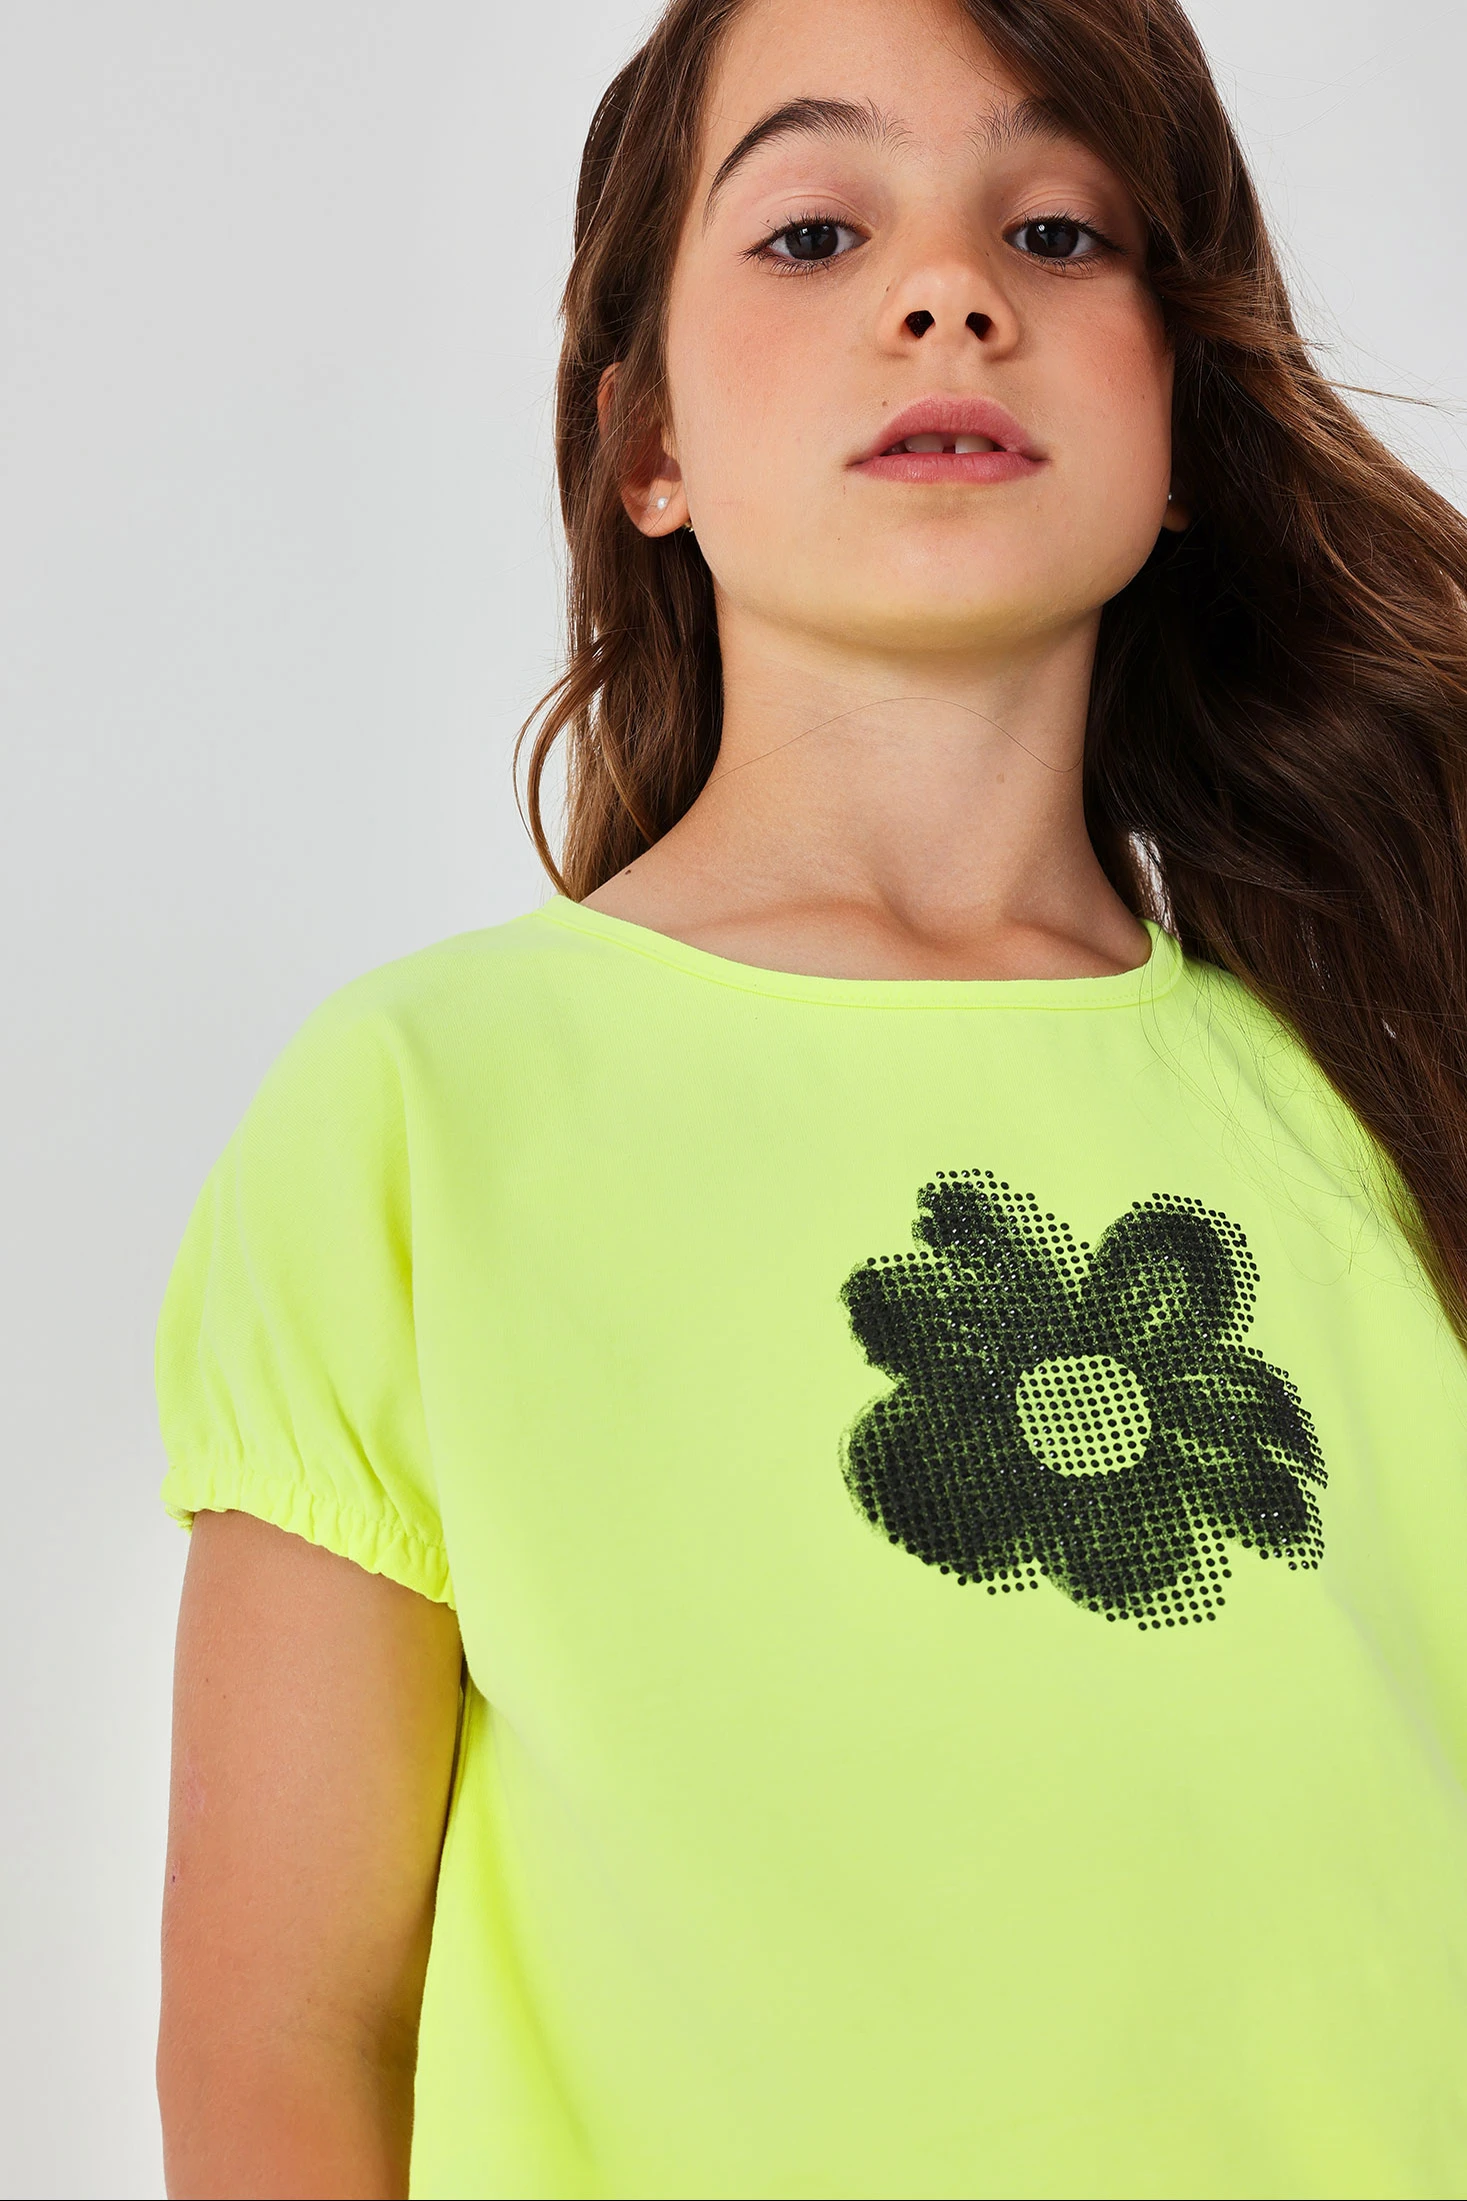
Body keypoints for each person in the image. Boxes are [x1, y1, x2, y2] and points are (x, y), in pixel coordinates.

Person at [154, 0, 1467, 2194]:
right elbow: (285, 2031)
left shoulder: (1391, 1087)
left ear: (1176, 419)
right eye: (811, 232)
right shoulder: (422, 1114)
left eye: (1055, 231)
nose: (948, 292)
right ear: (644, 438)